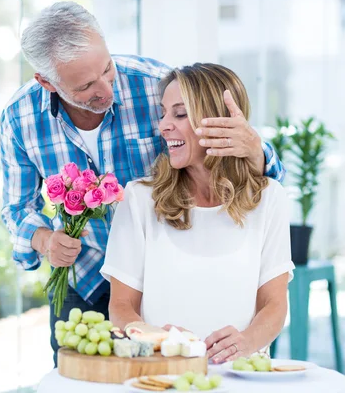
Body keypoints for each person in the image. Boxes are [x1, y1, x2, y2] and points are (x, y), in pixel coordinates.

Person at [0, 1, 286, 367]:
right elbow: (16, 207)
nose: (105, 88)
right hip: (84, 279)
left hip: (160, 275)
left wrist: (255, 151)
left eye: (107, 69)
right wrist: (44, 240)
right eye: (87, 85)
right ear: (46, 82)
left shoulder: (155, 85)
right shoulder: (20, 117)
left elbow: (254, 181)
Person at [100, 63, 294, 365]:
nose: (164, 125)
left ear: (220, 122)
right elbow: (121, 307)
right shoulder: (139, 199)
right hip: (162, 373)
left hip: (242, 376)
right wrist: (155, 337)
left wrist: (244, 344)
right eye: (163, 113)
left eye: (179, 114)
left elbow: (275, 304)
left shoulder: (269, 199)